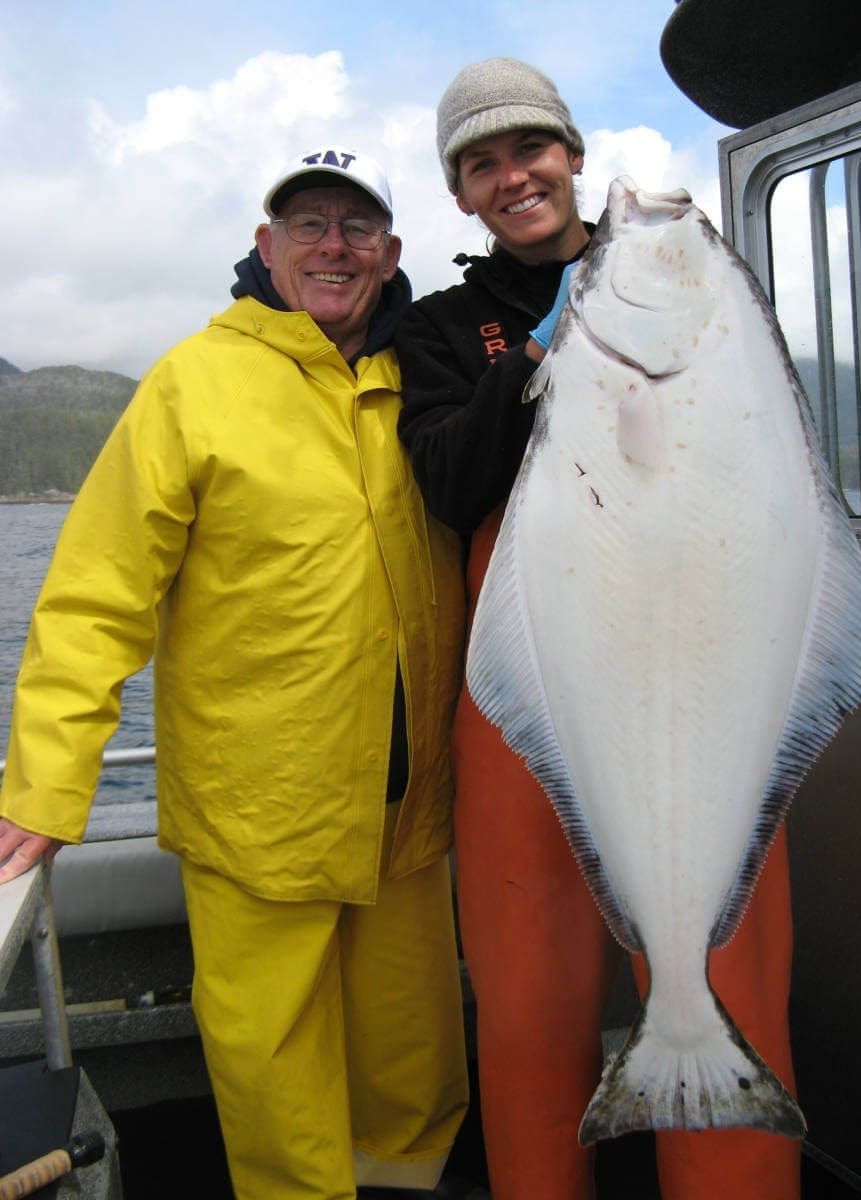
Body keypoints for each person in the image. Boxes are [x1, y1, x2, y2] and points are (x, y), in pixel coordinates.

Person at [0, 145, 472, 1200]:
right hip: (260, 814)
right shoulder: (193, 381)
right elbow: (94, 595)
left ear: (392, 255)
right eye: (307, 222)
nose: (333, 246)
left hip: (408, 814)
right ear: (265, 246)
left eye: (358, 227)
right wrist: (42, 785)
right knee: (275, 1077)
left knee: (414, 1065)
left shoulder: (429, 383)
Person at [395, 58, 801, 1200]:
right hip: (534, 701)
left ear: (572, 156)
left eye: (531, 148)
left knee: (732, 986)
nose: (513, 174)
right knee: (527, 1007)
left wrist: (668, 286)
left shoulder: (698, 286)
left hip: (702, 681)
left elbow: (774, 470)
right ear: (462, 193)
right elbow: (446, 483)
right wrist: (538, 356)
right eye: (482, 163)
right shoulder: (441, 330)